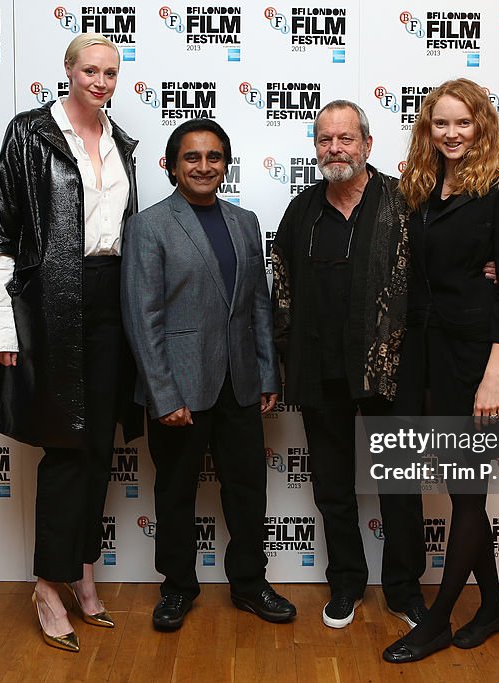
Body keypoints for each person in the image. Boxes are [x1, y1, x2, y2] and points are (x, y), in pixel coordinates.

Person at [0, 34, 142, 652]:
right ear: (68, 71)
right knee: (66, 447)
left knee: (99, 445)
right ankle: (49, 583)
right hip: (50, 306)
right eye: (91, 71)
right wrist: (2, 324)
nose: (101, 82)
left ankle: (84, 573)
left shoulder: (122, 141)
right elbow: (1, 232)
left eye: (111, 72)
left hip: (111, 302)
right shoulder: (30, 133)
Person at [121, 119, 296, 632]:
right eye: (192, 157)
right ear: (171, 165)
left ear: (225, 164)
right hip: (180, 390)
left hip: (240, 386)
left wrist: (268, 374)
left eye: (214, 157)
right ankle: (176, 588)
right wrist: (162, 393)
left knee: (248, 492)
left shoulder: (245, 222)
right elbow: (142, 316)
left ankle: (249, 584)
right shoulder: (149, 226)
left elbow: (257, 305)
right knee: (175, 494)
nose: (204, 166)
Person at [382, 78, 499, 663]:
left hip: (475, 360)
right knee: (459, 487)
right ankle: (491, 606)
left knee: (468, 494)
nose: (451, 134)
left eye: (463, 123)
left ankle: (439, 619)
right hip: (425, 356)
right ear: (428, 127)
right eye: (441, 123)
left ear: (482, 126)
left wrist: (495, 374)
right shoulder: (419, 190)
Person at [270, 100, 429, 630]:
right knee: (332, 487)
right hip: (320, 370)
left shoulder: (403, 202)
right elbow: (283, 290)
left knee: (400, 485)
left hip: (390, 369)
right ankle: (346, 583)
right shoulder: (301, 210)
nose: (334, 148)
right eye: (324, 140)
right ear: (315, 148)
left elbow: (437, 274)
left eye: (345, 138)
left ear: (367, 144)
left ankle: (405, 589)